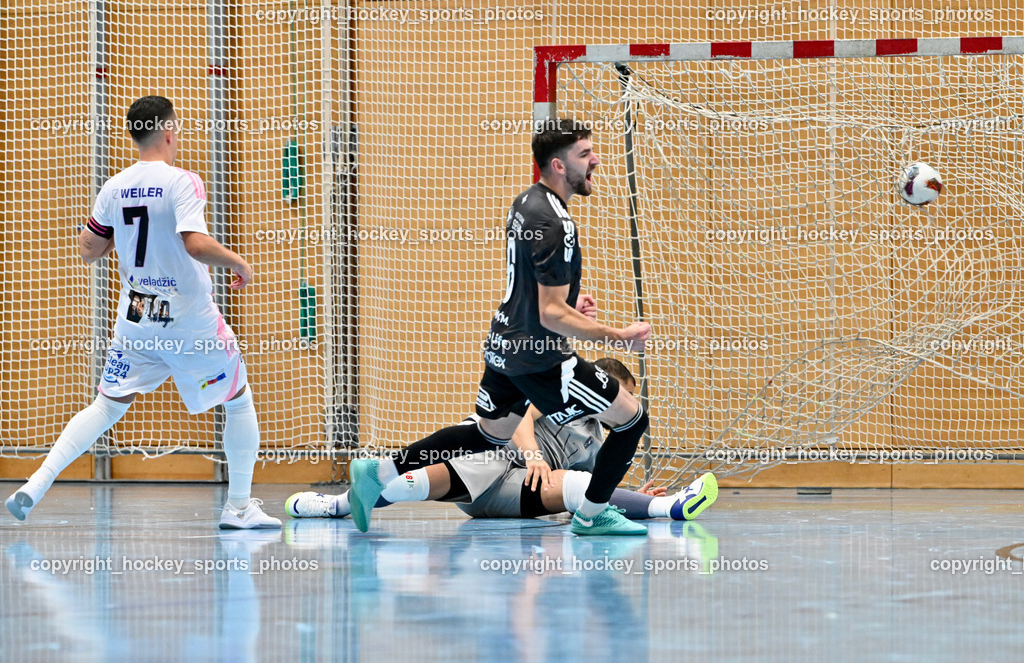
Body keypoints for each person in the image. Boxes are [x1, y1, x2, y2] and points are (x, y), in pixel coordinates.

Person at [348, 119, 653, 535]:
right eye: (585, 154)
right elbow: (549, 315)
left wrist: (568, 306)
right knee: (631, 419)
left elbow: (536, 294)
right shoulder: (557, 223)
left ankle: (379, 471)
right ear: (559, 165)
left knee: (492, 435)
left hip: (504, 342)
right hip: (541, 357)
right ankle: (593, 515)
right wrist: (617, 335)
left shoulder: (526, 202)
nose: (595, 160)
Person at [5, 96, 279, 530]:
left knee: (107, 405)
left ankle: (33, 485)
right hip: (188, 318)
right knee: (239, 401)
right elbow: (194, 243)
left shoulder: (113, 187)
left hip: (136, 317)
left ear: (135, 134)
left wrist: (121, 236)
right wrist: (238, 262)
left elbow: (88, 250)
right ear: (169, 133)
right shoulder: (183, 181)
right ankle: (240, 508)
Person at [288, 359, 718, 524]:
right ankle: (335, 506)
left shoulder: (597, 441)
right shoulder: (563, 394)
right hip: (496, 456)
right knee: (481, 459)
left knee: (576, 490)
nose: (622, 405)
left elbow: (588, 497)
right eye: (620, 394)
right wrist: (533, 458)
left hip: (511, 496)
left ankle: (668, 507)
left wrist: (627, 498)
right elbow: (521, 419)